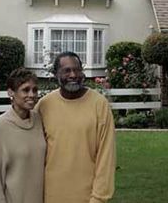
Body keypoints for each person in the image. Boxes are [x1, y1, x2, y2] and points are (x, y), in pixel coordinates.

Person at [36, 51, 116, 203]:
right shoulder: (44, 105)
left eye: (77, 69)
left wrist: (98, 198)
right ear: (55, 74)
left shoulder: (99, 104)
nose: (73, 75)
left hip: (87, 197)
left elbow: (106, 157)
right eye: (66, 70)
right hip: (49, 196)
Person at [0, 68, 46, 203]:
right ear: (11, 92)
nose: (32, 94)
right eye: (25, 90)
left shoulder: (39, 120)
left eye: (35, 90)